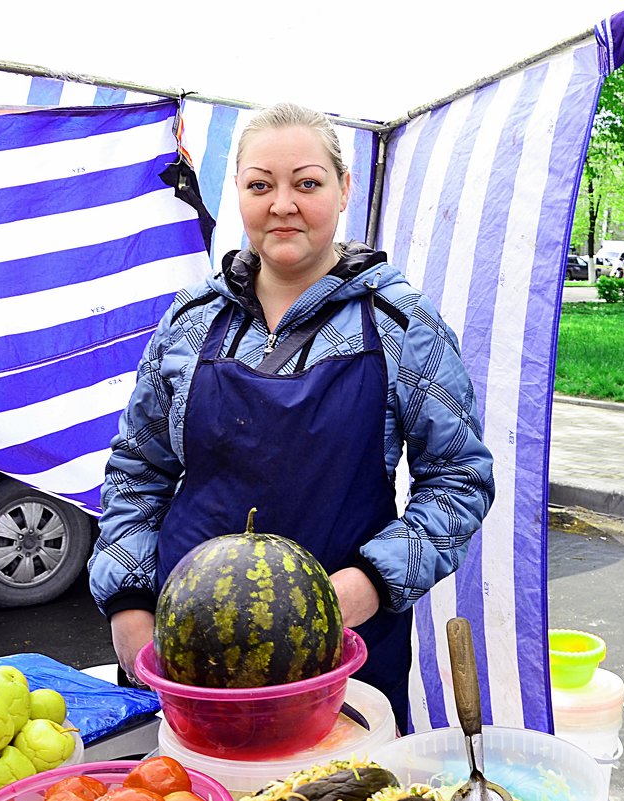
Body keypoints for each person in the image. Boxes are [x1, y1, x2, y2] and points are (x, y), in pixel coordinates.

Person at [88, 102, 495, 733]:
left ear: (343, 190)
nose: (283, 204)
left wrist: (369, 582)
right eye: (261, 185)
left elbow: (460, 480)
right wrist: (129, 599)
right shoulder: (191, 324)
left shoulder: (400, 325)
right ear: (240, 194)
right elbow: (138, 471)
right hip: (187, 644)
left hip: (341, 648)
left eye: (306, 183)